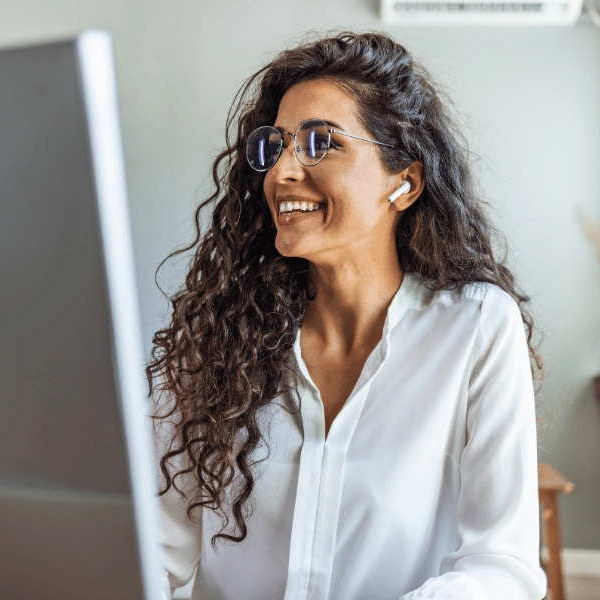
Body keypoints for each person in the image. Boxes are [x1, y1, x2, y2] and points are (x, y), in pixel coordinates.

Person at [147, 31, 547, 600]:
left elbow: (502, 568)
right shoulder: (218, 336)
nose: (282, 171)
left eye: (321, 143)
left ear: (404, 183)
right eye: (276, 146)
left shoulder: (476, 328)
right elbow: (151, 550)